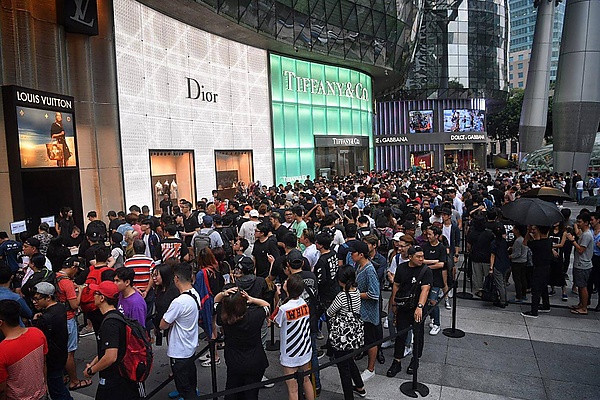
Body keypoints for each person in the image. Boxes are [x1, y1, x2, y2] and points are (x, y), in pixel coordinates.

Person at [83, 280, 141, 399]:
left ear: (102, 298)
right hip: (121, 377)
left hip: (114, 379)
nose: (93, 295)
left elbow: (110, 356)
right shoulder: (116, 315)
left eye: (96, 293)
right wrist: (93, 363)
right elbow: (106, 349)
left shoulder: (110, 324)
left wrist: (91, 371)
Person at [215, 286, 270, 400]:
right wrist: (252, 299)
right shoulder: (255, 316)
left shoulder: (224, 317)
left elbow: (215, 301)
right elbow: (267, 305)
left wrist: (223, 293)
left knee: (232, 390)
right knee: (251, 394)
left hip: (234, 361)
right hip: (255, 361)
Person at [387, 246, 432, 377]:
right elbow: (396, 285)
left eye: (422, 256)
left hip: (418, 307)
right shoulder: (402, 268)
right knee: (401, 333)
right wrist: (394, 302)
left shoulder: (426, 271)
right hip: (404, 306)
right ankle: (397, 360)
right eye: (418, 256)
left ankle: (415, 359)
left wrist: (420, 307)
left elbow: (425, 289)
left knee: (418, 334)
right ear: (410, 257)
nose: (421, 259)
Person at [160, 263, 200, 400]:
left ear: (176, 278)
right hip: (190, 344)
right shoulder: (195, 294)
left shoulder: (179, 302)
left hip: (179, 349)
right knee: (190, 375)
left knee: (184, 383)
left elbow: (163, 324)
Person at [326, 265, 366, 399]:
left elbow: (329, 312)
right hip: (354, 334)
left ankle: (349, 396)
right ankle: (360, 386)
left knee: (343, 368)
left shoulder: (342, 296)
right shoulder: (356, 291)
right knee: (349, 360)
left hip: (342, 336)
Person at [273, 273, 314, 400]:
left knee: (293, 389)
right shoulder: (304, 303)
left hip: (290, 352)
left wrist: (277, 297)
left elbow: (276, 321)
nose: (284, 282)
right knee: (306, 380)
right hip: (305, 348)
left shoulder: (284, 308)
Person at [31, 282, 72, 400]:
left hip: (52, 358)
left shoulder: (45, 319)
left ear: (48, 297)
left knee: (56, 390)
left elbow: (39, 337)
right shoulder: (60, 308)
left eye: (37, 299)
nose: (34, 302)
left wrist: (36, 322)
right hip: (61, 353)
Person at [0, 299, 48, 400]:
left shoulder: (2, 350)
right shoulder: (37, 333)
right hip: (41, 393)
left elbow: (2, 388)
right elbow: (43, 364)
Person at [55, 256, 90, 391]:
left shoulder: (55, 276)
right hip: (68, 318)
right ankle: (74, 381)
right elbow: (74, 305)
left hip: (57, 317)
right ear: (73, 268)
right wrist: (79, 291)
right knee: (69, 352)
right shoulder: (67, 283)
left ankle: (62, 375)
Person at [351, 240, 381, 382]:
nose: (351, 254)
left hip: (368, 313)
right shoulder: (359, 265)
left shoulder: (369, 270)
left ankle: (371, 369)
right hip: (361, 311)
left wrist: (355, 294)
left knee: (371, 340)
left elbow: (374, 294)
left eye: (353, 252)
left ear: (361, 254)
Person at [521, 225, 552, 318]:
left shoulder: (537, 244)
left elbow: (525, 242)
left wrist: (528, 231)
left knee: (536, 289)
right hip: (547, 267)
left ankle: (534, 311)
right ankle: (546, 305)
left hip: (538, 268)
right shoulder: (549, 241)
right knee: (544, 287)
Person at [566, 213, 594, 315]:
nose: (577, 224)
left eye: (579, 222)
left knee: (582, 287)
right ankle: (581, 304)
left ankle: (584, 307)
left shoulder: (587, 235)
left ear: (586, 223)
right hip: (580, 263)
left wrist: (572, 241)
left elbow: (581, 250)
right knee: (580, 285)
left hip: (583, 264)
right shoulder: (583, 233)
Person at [152, 262, 180, 346]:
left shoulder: (174, 291)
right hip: (165, 325)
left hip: (174, 326)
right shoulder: (159, 289)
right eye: (153, 275)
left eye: (156, 275)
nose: (154, 278)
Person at [489, 225, 509, 308]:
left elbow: (493, 255)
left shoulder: (494, 243)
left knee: (499, 284)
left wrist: (491, 267)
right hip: (506, 264)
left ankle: (502, 301)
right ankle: (505, 298)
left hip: (498, 264)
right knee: (503, 282)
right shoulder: (504, 242)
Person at [509, 225, 529, 303]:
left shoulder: (518, 241)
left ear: (517, 230)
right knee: (523, 278)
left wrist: (510, 256)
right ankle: (523, 294)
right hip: (524, 261)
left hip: (517, 262)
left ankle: (518, 296)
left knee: (517, 279)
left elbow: (517, 254)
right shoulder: (524, 239)